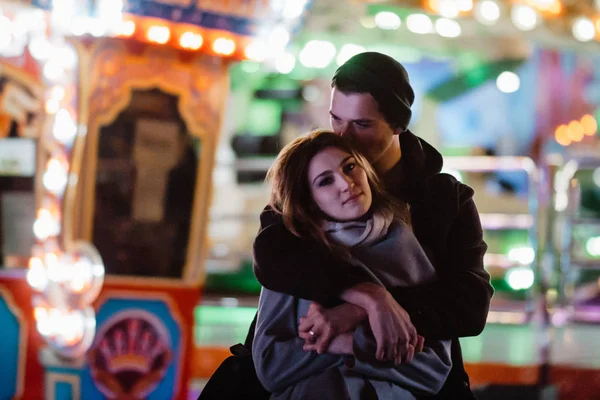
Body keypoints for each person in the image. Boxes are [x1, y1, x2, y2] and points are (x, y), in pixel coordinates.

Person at [252, 52, 493, 399]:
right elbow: (273, 253)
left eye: (361, 125)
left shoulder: (444, 201)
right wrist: (368, 295)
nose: (344, 136)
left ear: (398, 124)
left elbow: (469, 304)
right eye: (336, 119)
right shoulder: (307, 186)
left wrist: (355, 315)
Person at [253, 130, 452, 399]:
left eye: (350, 167)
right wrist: (353, 344)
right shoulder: (294, 255)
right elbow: (271, 366)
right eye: (325, 181)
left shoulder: (402, 243)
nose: (346, 184)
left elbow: (433, 369)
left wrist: (348, 341)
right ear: (309, 200)